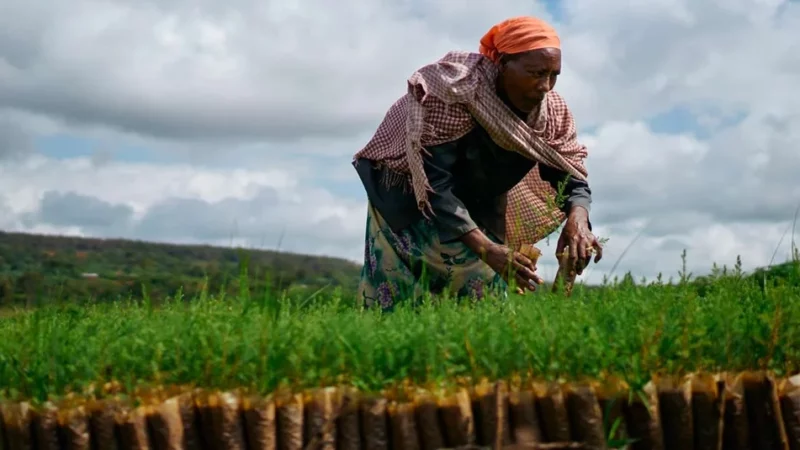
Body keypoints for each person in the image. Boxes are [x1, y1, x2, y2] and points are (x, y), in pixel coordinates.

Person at [352, 16, 603, 311]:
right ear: (501, 64)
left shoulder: (551, 113)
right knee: (399, 298)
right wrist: (486, 249)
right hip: (408, 196)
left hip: (482, 202)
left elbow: (570, 178)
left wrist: (578, 220)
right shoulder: (453, 93)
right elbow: (435, 184)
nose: (545, 86)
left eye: (553, 75)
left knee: (485, 304)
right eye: (536, 73)